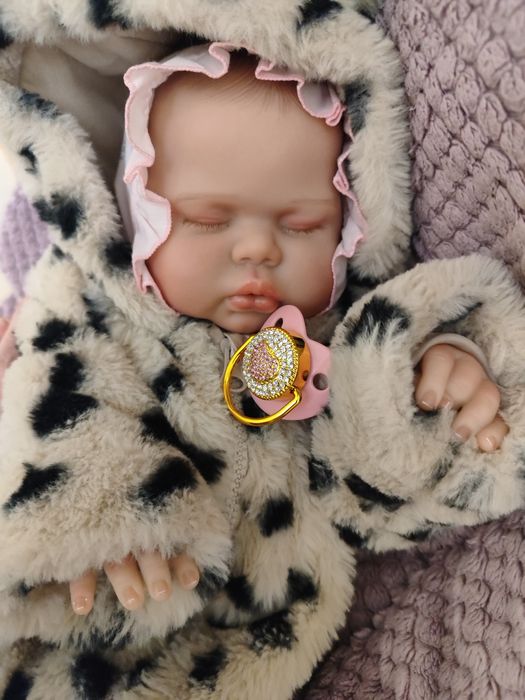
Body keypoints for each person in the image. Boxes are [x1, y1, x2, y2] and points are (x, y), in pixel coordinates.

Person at [0, 40, 524, 700]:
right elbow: (57, 396)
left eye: (302, 225)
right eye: (205, 218)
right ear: (133, 215)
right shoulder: (97, 306)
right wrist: (94, 511)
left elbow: (371, 499)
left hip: (253, 653)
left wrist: (436, 385)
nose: (255, 248)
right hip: (79, 628)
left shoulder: (335, 344)